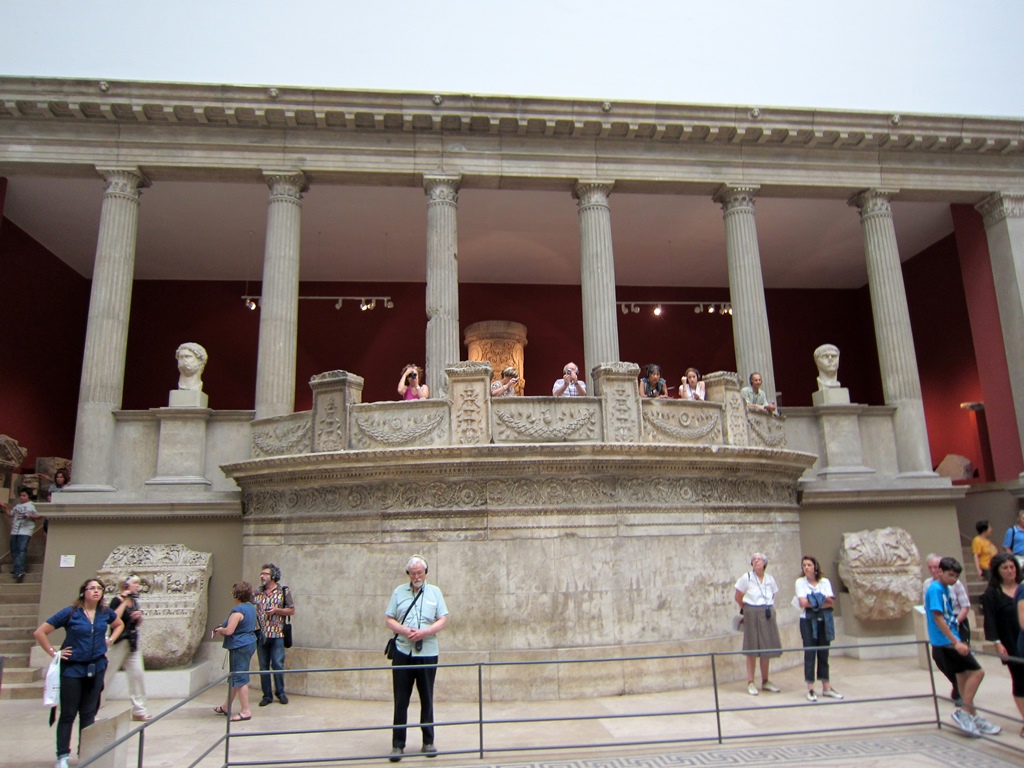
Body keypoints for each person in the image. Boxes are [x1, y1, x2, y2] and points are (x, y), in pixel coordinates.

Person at [34, 578, 124, 768]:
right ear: (84, 592)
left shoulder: (104, 613)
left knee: (89, 713)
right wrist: (54, 653)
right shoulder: (70, 613)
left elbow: (119, 624)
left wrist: (110, 640)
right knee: (68, 713)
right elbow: (40, 632)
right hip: (73, 668)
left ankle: (86, 752)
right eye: (92, 588)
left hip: (96, 666)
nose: (96, 591)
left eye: (99, 588)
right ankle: (62, 756)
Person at [924, 557, 1001, 736]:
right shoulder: (935, 589)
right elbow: (938, 617)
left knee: (963, 677)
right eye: (950, 575)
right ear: (940, 572)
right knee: (977, 672)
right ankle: (965, 713)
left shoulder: (945, 588)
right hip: (946, 643)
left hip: (949, 640)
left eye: (956, 577)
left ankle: (973, 716)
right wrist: (955, 642)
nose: (953, 580)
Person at [385, 554, 449, 762]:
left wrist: (425, 632)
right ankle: (397, 745)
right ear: (408, 575)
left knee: (427, 697)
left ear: (426, 573)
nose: (416, 576)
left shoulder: (435, 592)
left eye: (420, 572)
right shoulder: (398, 592)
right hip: (404, 651)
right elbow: (389, 619)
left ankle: (428, 742)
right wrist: (404, 630)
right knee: (400, 699)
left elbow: (443, 619)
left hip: (428, 651)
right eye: (413, 573)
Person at [981, 553, 1024, 736]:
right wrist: (997, 643)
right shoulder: (992, 593)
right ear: (997, 571)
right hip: (1010, 641)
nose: (1009, 571)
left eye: (1012, 567)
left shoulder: (1022, 588)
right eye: (1005, 568)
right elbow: (990, 620)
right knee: (1020, 681)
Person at [794, 555, 843, 702]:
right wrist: (820, 600)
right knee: (810, 653)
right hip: (807, 621)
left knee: (824, 653)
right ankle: (810, 688)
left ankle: (826, 687)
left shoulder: (824, 581)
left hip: (824, 620)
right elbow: (803, 602)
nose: (806, 568)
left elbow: (830, 602)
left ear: (815, 566)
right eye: (804, 565)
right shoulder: (800, 582)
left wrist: (814, 600)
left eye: (809, 565)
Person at [734, 553, 782, 695]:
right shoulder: (746, 577)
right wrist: (748, 609)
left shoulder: (770, 579)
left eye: (758, 559)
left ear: (764, 562)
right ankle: (750, 682)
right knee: (752, 647)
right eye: (753, 560)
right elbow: (738, 596)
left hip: (766, 611)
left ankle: (765, 680)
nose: (756, 561)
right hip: (752, 611)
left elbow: (773, 594)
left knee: (766, 647)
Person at [923, 553, 968, 705]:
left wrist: (955, 622)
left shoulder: (952, 583)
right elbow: (934, 612)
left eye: (936, 567)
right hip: (941, 630)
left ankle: (963, 695)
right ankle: (959, 689)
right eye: (931, 568)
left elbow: (964, 606)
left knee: (969, 667)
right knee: (941, 659)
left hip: (954, 624)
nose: (934, 570)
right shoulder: (931, 586)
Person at [211, 581, 258, 722]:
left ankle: (245, 710)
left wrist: (221, 631)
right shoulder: (250, 607)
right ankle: (226, 706)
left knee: (240, 679)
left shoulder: (238, 611)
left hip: (239, 646)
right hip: (249, 643)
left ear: (237, 595)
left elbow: (229, 630)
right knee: (235, 678)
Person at [108, 575, 150, 721]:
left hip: (132, 642)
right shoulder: (118, 600)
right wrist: (124, 601)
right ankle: (91, 709)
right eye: (135, 583)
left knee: (137, 675)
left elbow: (136, 623)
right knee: (105, 675)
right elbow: (113, 618)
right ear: (126, 585)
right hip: (119, 642)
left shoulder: (135, 601)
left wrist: (138, 617)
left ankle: (139, 710)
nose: (138, 586)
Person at [254, 563, 295, 706]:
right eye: (261, 574)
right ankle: (267, 695)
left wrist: (277, 610)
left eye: (265, 573)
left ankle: (281, 692)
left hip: (278, 634)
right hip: (261, 634)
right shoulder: (258, 592)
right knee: (263, 666)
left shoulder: (283, 591)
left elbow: (291, 610)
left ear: (273, 576)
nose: (262, 576)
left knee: (277, 664)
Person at [3, 488, 41, 582]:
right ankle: (18, 568)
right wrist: (4, 507)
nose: (22, 497)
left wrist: (29, 516)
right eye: (20, 495)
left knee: (21, 549)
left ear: (29, 496)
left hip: (25, 530)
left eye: (24, 495)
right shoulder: (17, 506)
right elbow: (10, 514)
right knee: (14, 550)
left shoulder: (32, 505)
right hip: (15, 530)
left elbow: (39, 516)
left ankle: (19, 571)